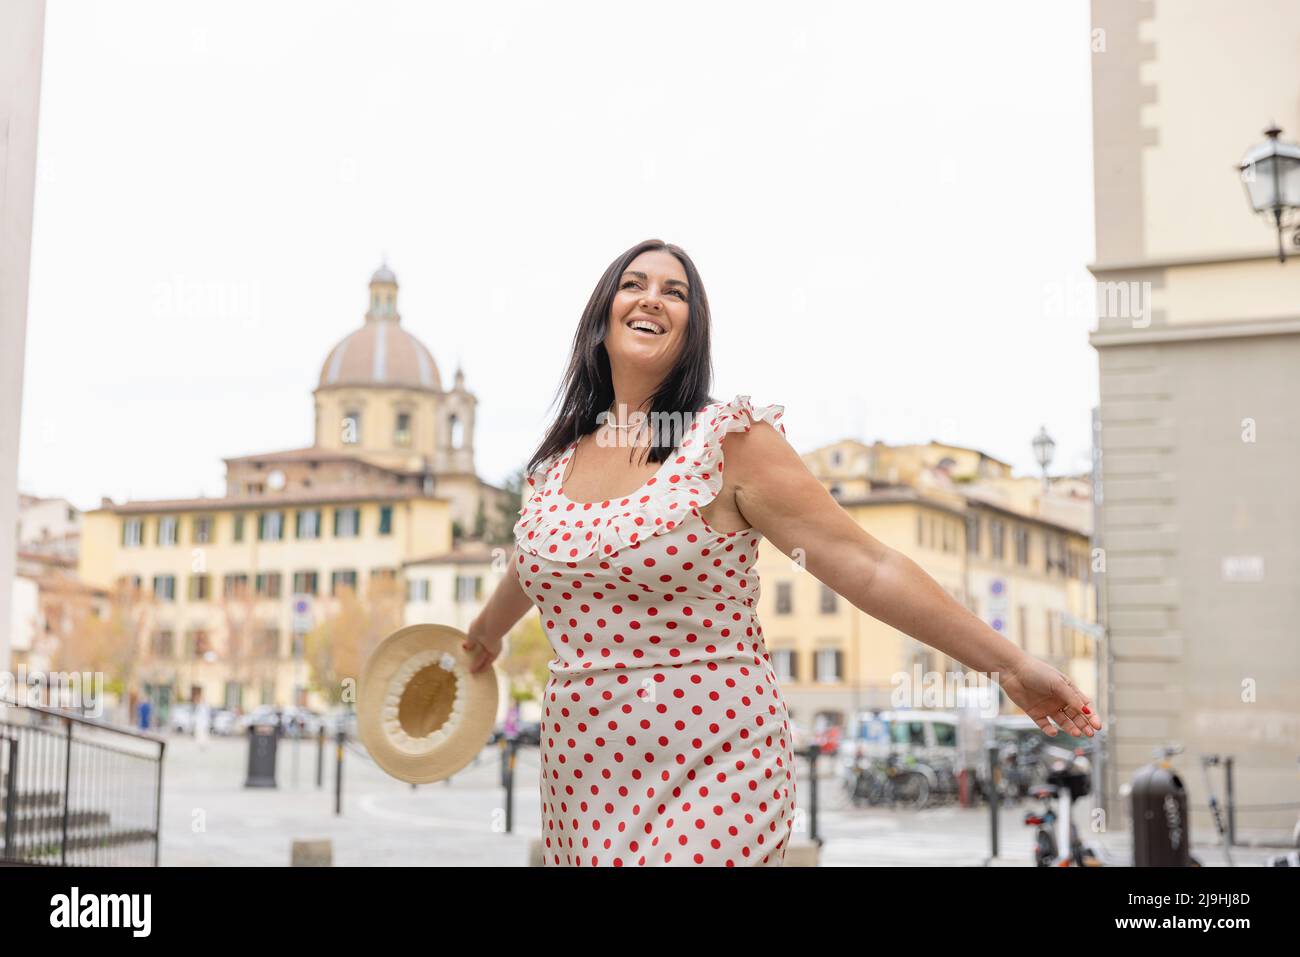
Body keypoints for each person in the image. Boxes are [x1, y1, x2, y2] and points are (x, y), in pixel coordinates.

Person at [463, 239, 1102, 867]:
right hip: (583, 769)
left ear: (693, 331)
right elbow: (539, 561)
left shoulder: (730, 441)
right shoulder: (556, 465)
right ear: (601, 313)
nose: (652, 297)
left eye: (675, 291)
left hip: (712, 757)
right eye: (634, 284)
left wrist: (1010, 666)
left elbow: (868, 567)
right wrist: (485, 634)